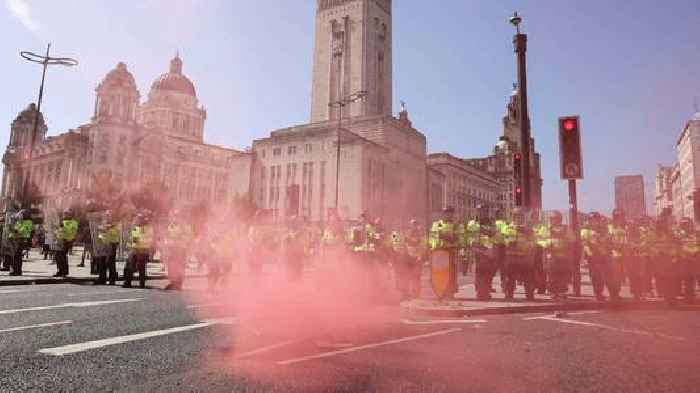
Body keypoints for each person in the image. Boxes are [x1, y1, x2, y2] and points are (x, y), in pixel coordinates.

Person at [501, 208, 536, 300]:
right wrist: (509, 241)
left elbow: (533, 241)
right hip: (511, 258)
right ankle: (509, 294)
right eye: (517, 216)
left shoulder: (528, 229)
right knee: (509, 278)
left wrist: (526, 245)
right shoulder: (507, 228)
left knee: (528, 278)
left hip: (525, 258)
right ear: (513, 217)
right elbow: (502, 239)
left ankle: (530, 295)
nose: (519, 218)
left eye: (521, 216)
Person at [540, 211, 574, 299]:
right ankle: (553, 292)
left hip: (563, 255)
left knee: (563, 274)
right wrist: (547, 243)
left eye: (555, 218)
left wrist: (568, 245)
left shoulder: (566, 229)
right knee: (552, 274)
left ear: (560, 219)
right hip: (551, 255)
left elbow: (572, 239)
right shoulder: (546, 229)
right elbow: (540, 239)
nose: (553, 220)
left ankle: (562, 292)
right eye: (551, 218)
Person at [123, 212, 154, 288]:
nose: (136, 220)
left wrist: (136, 241)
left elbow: (146, 239)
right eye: (137, 219)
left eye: (138, 219)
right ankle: (131, 283)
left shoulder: (145, 228)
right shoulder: (138, 227)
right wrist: (129, 244)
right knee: (134, 267)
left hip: (141, 250)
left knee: (138, 267)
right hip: (137, 249)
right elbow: (132, 238)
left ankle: (137, 283)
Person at [164, 209, 193, 290]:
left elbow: (188, 237)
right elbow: (167, 235)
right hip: (171, 248)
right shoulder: (171, 225)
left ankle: (179, 284)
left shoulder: (184, 226)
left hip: (180, 248)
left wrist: (179, 238)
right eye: (174, 216)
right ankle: (172, 283)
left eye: (177, 216)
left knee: (179, 267)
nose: (175, 218)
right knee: (171, 267)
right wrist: (166, 242)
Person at [54, 209, 79, 277]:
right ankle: (60, 270)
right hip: (60, 241)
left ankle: (63, 271)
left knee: (62, 255)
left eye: (67, 213)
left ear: (70, 214)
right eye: (64, 213)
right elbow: (58, 231)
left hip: (67, 241)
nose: (65, 215)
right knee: (57, 256)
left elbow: (72, 232)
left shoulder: (74, 222)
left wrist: (62, 228)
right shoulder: (62, 221)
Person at [10, 210, 33, 276]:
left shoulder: (28, 222)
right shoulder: (20, 221)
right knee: (17, 255)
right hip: (17, 240)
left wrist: (16, 231)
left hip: (23, 240)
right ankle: (17, 270)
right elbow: (15, 229)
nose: (20, 216)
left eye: (21, 214)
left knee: (17, 255)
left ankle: (16, 270)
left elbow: (24, 230)